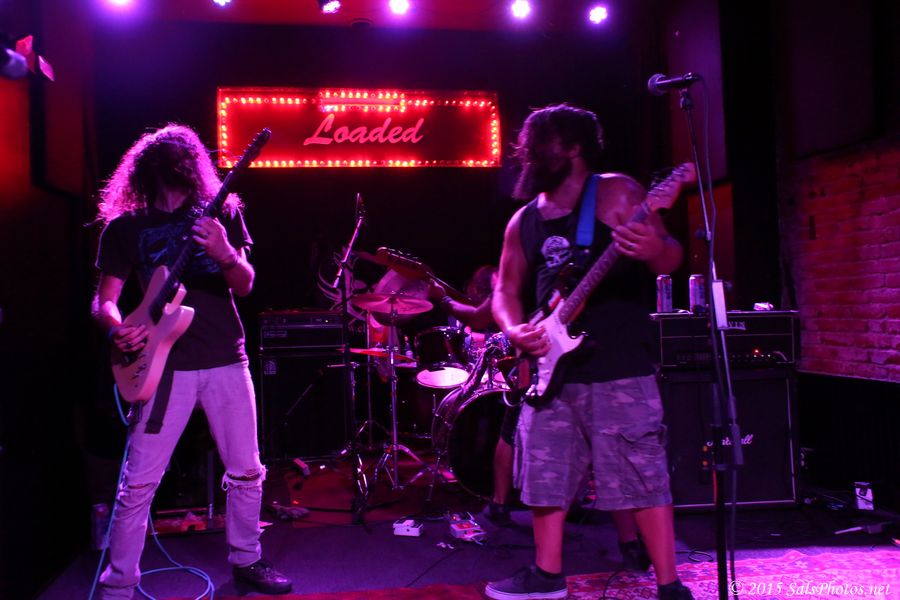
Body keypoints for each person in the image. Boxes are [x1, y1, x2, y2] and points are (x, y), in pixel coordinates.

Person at [486, 104, 693, 599]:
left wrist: (654, 251)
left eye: (541, 143)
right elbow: (505, 289)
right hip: (550, 371)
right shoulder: (523, 220)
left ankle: (669, 585)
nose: (529, 154)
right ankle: (546, 575)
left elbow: (670, 254)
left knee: (642, 474)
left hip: (619, 366)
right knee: (545, 476)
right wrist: (514, 330)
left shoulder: (617, 192)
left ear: (575, 148)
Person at [92, 124, 291, 598]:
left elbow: (245, 284)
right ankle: (119, 583)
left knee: (246, 470)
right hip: (161, 366)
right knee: (138, 484)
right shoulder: (125, 228)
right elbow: (104, 300)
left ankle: (247, 559)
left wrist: (224, 253)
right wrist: (117, 329)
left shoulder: (221, 213)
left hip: (225, 356)